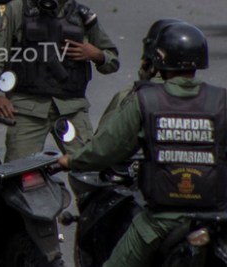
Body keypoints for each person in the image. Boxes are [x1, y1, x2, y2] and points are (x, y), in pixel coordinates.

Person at [57, 22, 226, 267]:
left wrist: (72, 160)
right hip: (216, 217)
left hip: (163, 218)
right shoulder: (220, 100)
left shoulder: (145, 100)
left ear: (156, 60)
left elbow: (108, 148)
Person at [0, 0, 119, 161]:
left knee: (89, 170)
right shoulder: (18, 9)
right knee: (15, 175)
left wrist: (96, 54)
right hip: (27, 109)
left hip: (71, 110)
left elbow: (113, 61)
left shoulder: (83, 16)